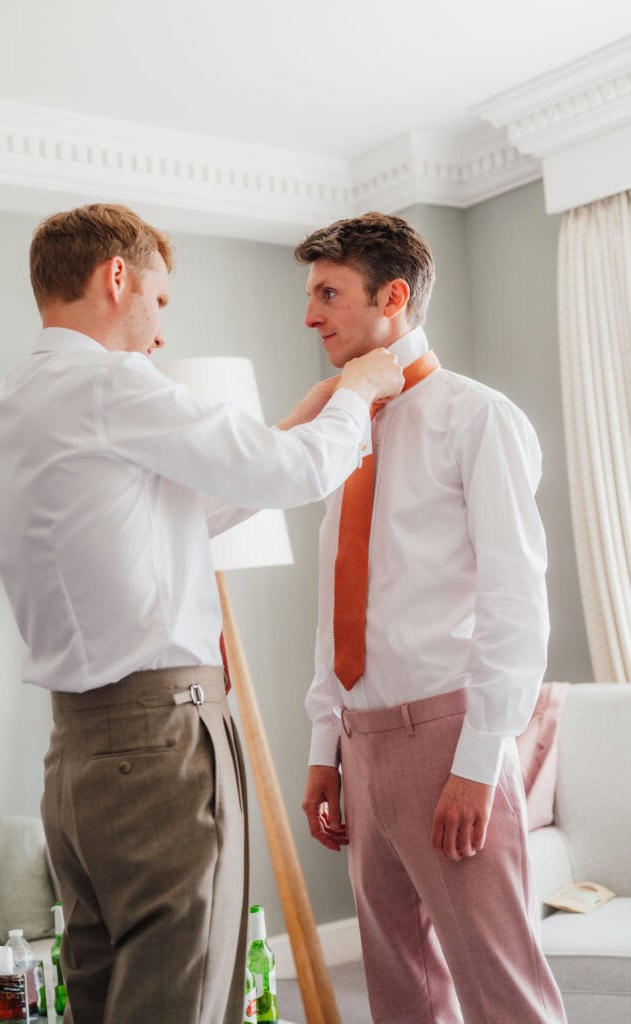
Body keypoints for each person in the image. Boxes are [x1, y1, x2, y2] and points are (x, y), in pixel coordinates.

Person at [0, 203, 404, 1024]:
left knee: (106, 1000)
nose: (160, 331)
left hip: (77, 753)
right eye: (160, 301)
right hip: (162, 740)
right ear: (115, 277)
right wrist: (356, 392)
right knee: (184, 999)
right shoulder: (109, 381)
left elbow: (172, 517)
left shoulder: (17, 401)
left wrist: (295, 425)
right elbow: (291, 475)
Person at [297, 212, 568, 1023]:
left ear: (393, 296)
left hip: (448, 737)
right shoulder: (342, 428)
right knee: (400, 991)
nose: (310, 314)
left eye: (327, 293)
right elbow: (336, 594)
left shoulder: (475, 417)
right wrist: (324, 746)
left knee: (500, 987)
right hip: (360, 739)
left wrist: (480, 762)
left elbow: (516, 599)